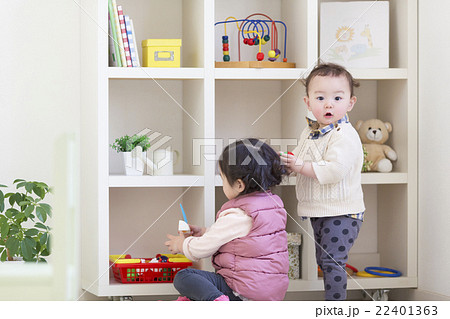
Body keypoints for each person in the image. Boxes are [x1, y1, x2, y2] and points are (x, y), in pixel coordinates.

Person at [280, 62, 365, 301]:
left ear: (350, 102)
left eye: (337, 98)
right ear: (308, 102)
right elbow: (299, 157)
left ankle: (335, 307)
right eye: (320, 97)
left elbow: (334, 171)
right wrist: (287, 163)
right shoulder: (310, 132)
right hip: (319, 211)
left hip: (342, 212)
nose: (329, 104)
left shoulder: (344, 135)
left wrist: (300, 166)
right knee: (324, 261)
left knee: (332, 261)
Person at [165, 138, 289, 301]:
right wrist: (204, 232)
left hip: (242, 292)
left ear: (239, 185)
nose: (222, 184)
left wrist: (181, 244)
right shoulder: (273, 206)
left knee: (184, 276)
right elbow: (243, 239)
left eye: (223, 179)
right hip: (269, 293)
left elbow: (201, 249)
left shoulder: (239, 213)